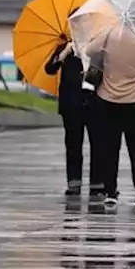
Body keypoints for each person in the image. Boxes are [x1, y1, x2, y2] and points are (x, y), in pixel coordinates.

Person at [85, 23, 135, 208]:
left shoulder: (109, 33)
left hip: (108, 98)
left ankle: (110, 192)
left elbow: (89, 51)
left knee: (110, 148)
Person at [44, 37, 94, 196]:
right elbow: (50, 69)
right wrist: (64, 53)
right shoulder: (64, 46)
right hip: (71, 103)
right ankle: (74, 182)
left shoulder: (98, 46)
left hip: (94, 102)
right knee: (73, 145)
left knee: (99, 145)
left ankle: (97, 185)